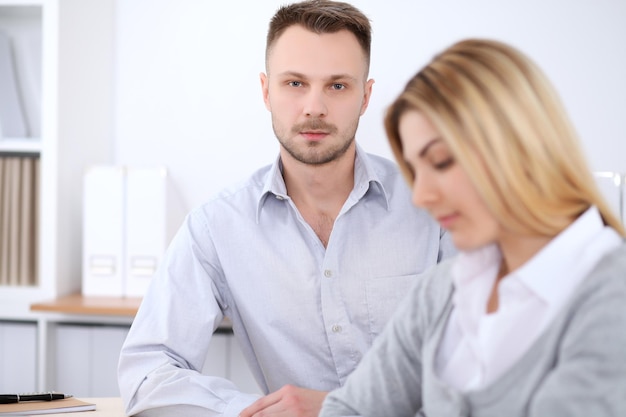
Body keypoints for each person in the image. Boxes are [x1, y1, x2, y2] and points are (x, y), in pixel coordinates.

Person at [117, 1, 455, 416]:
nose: (314, 107)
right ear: (266, 91)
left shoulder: (437, 208)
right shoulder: (217, 226)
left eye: (337, 86)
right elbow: (147, 372)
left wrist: (342, 409)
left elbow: (482, 369)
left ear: (365, 96)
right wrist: (261, 411)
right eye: (295, 84)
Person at [320, 38, 626, 417]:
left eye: (442, 162)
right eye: (416, 171)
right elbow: (350, 409)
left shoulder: (612, 298)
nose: (422, 196)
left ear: (519, 145)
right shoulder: (443, 290)